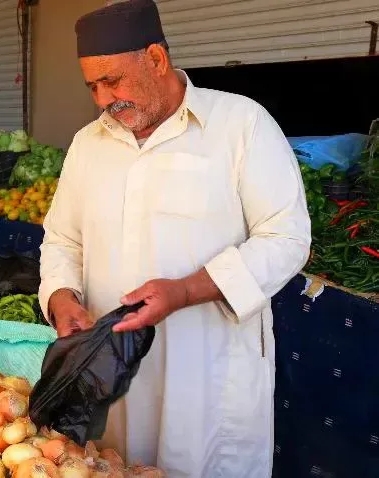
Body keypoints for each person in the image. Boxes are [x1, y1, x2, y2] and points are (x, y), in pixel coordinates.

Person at [37, 1, 311, 476]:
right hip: (116, 375)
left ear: (156, 60)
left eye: (114, 81)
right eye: (93, 86)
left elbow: (286, 237)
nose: (103, 99)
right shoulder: (88, 145)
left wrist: (186, 290)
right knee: (121, 463)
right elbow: (62, 239)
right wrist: (62, 295)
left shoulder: (240, 125)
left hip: (206, 372)